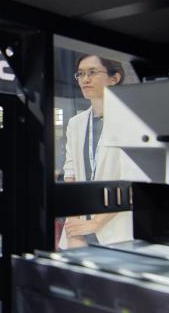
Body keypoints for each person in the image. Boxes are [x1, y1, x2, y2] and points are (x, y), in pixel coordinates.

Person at [58, 54, 135, 249]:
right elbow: (70, 175)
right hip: (79, 227)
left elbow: (133, 182)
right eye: (81, 74)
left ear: (114, 78)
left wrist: (95, 223)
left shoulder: (130, 121)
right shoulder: (76, 123)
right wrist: (73, 224)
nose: (85, 79)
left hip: (117, 228)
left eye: (92, 72)